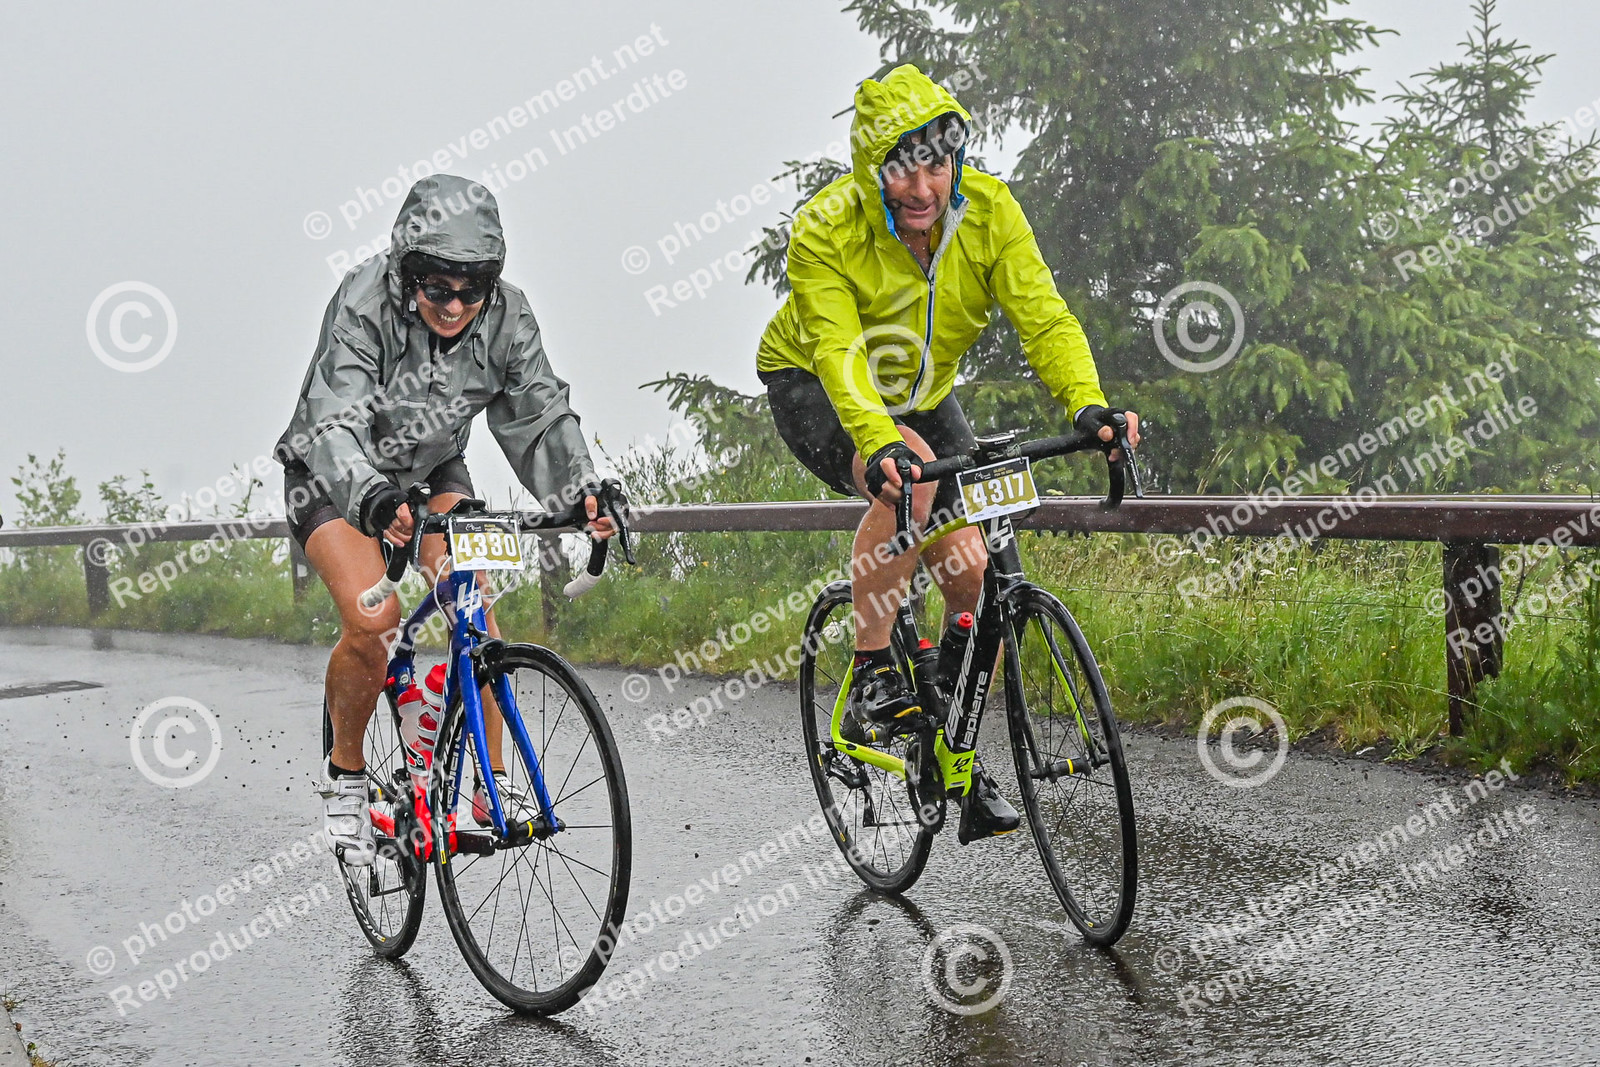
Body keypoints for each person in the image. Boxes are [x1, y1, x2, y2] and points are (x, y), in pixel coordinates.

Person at [756, 65, 1140, 842]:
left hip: (923, 388)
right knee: (910, 479)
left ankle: (950, 747)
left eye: (937, 164)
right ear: (874, 170)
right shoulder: (827, 229)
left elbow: (1044, 317)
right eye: (903, 169)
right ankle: (872, 668)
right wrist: (876, 442)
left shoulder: (990, 211)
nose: (923, 187)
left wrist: (1087, 404)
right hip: (818, 382)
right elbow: (839, 352)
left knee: (972, 572)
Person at [276, 174, 614, 865]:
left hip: (432, 468)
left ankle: (490, 787)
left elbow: (539, 414)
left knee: (474, 604)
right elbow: (335, 418)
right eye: (438, 288)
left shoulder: (507, 316)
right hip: (332, 471)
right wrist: (372, 496)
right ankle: (346, 775)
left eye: (473, 289)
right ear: (408, 276)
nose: (456, 305)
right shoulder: (364, 301)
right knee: (375, 619)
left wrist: (582, 488)